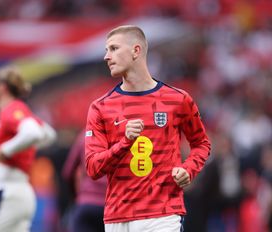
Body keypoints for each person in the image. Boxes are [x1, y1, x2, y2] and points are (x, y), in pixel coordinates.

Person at [85, 25, 211, 232]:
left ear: (136, 50)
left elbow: (201, 144)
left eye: (114, 49)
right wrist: (124, 143)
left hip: (162, 214)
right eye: (107, 50)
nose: (107, 57)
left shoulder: (178, 100)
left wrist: (189, 169)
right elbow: (93, 168)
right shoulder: (100, 107)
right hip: (117, 216)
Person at [0, 66, 57, 232]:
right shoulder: (19, 110)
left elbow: (33, 133)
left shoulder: (11, 109)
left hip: (7, 192)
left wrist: (6, 150)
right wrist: (24, 146)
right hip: (21, 192)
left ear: (2, 88)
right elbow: (49, 134)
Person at [62, 129, 107, 232]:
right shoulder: (120, 135)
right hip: (111, 207)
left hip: (86, 202)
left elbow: (68, 172)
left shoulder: (84, 136)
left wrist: (76, 197)